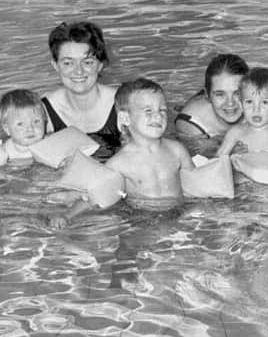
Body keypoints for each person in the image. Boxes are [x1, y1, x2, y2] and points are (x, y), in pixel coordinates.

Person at [47, 78, 194, 228]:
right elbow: (95, 197)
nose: (157, 116)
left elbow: (195, 184)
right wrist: (67, 216)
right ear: (125, 118)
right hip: (142, 220)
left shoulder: (177, 150)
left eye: (162, 110)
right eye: (148, 111)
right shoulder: (120, 163)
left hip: (179, 213)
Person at [175, 53, 268, 156]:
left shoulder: (264, 107)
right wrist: (227, 153)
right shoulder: (191, 125)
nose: (230, 103)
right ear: (207, 96)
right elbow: (200, 162)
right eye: (220, 94)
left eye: (237, 93)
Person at [43, 21, 120, 159]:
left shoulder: (123, 105)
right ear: (55, 65)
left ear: (100, 65)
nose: (78, 71)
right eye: (68, 63)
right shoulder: (43, 112)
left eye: (88, 62)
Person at [0, 89, 47, 165]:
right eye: (20, 124)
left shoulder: (50, 144)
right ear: (7, 129)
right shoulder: (5, 151)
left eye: (36, 121)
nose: (30, 129)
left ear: (45, 120)